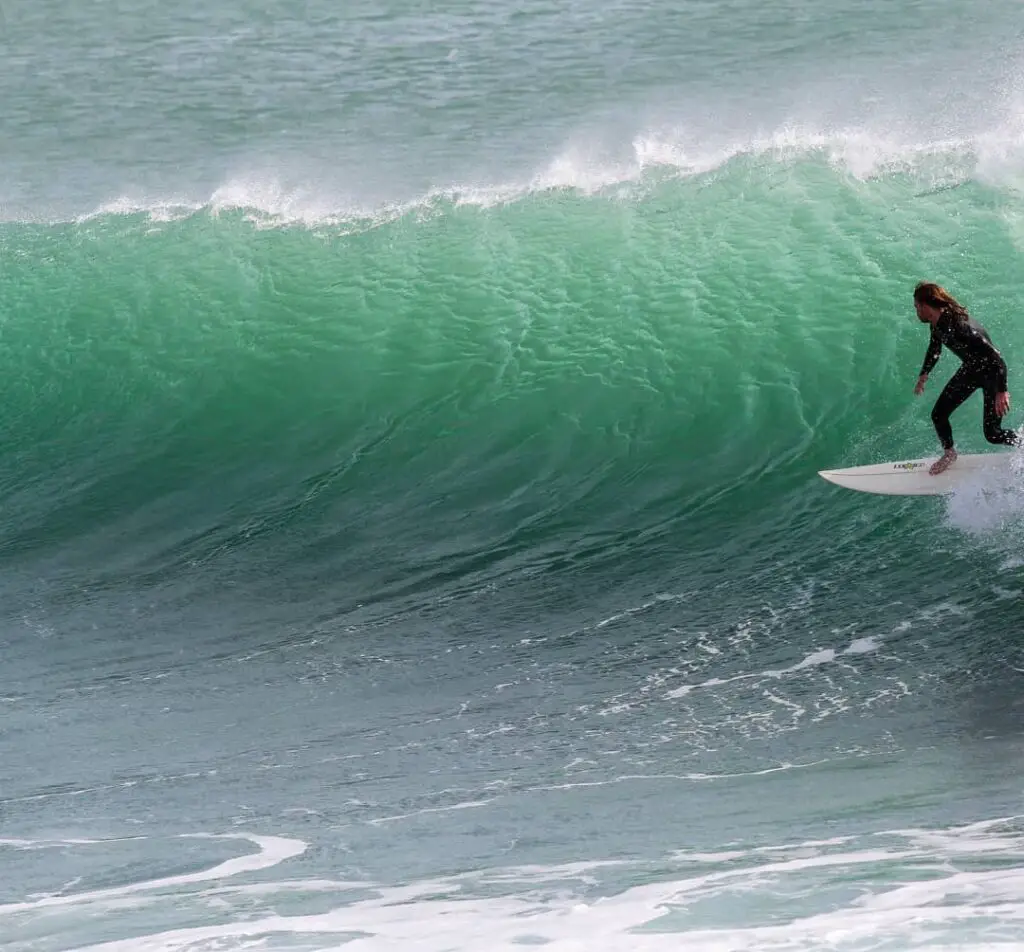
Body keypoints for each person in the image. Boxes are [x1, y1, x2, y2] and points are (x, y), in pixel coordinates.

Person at [913, 282, 1017, 475]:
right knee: (938, 414)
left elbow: (996, 356)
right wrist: (924, 374)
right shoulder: (937, 323)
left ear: (925, 306)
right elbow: (935, 349)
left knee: (993, 435)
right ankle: (950, 453)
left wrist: (1002, 390)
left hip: (992, 374)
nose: (916, 311)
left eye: (916, 307)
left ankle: (1020, 442)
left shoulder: (958, 325)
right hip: (971, 371)